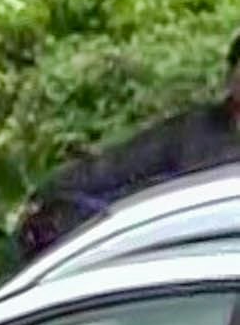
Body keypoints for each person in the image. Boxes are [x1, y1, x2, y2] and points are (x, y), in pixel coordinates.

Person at [18, 31, 240, 259]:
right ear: (230, 75)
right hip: (186, 256)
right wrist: (50, 192)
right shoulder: (192, 130)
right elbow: (115, 167)